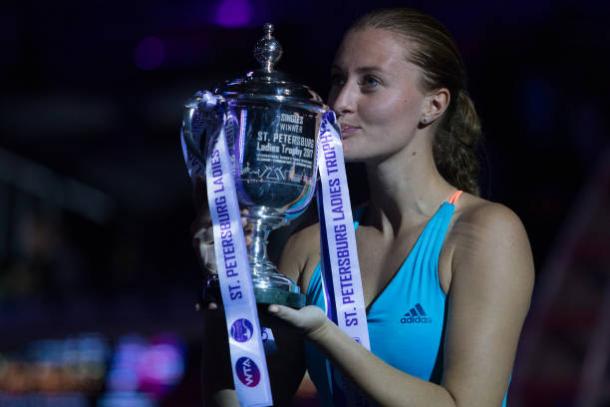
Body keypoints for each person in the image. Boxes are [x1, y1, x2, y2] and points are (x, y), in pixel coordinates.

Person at [195, 7, 534, 406]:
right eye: (339, 78)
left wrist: (326, 334)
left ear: (434, 105)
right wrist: (228, 305)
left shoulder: (486, 233)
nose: (339, 102)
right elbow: (252, 403)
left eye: (370, 82)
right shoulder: (308, 248)